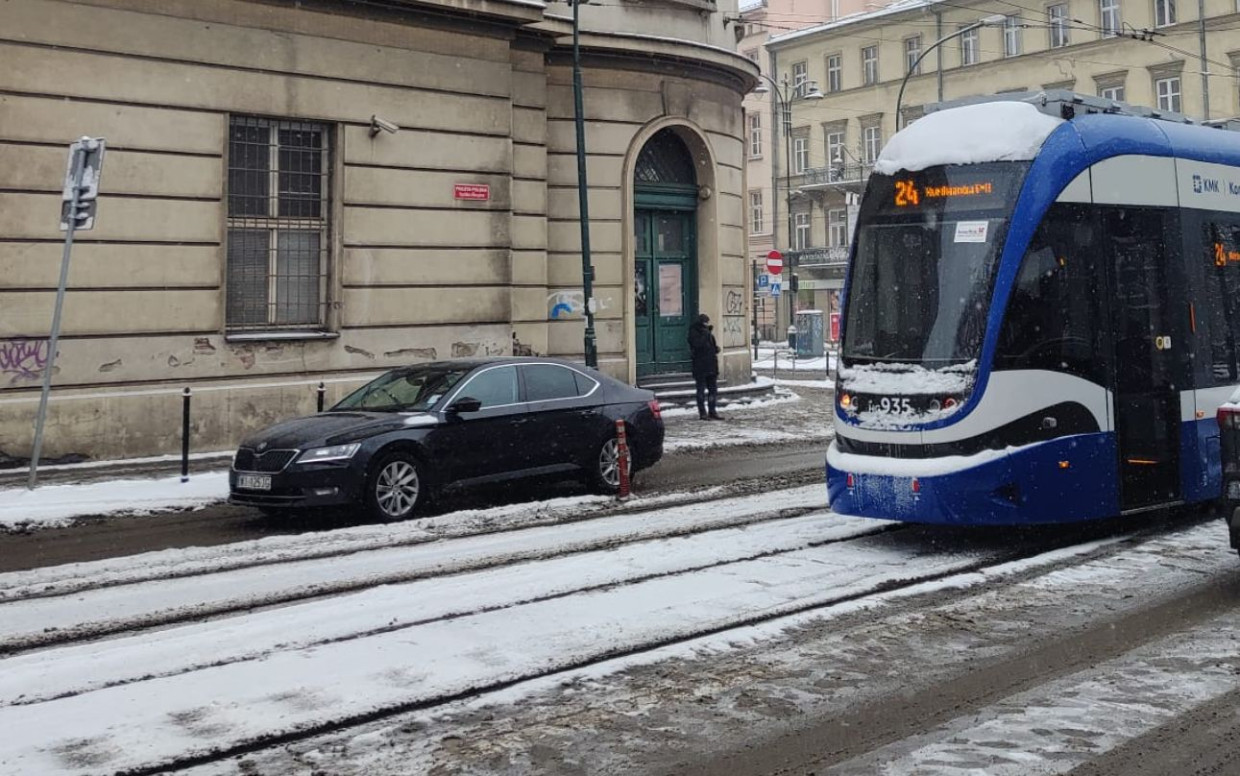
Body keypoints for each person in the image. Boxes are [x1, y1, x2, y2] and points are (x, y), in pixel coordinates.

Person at [688, 313, 722, 421]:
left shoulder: (708, 333)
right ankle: (702, 412)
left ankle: (712, 411)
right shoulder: (694, 332)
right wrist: (706, 334)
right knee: (701, 390)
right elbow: (697, 345)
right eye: (705, 323)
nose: (707, 325)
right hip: (700, 366)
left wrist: (715, 349)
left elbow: (711, 346)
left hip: (711, 365)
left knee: (713, 390)